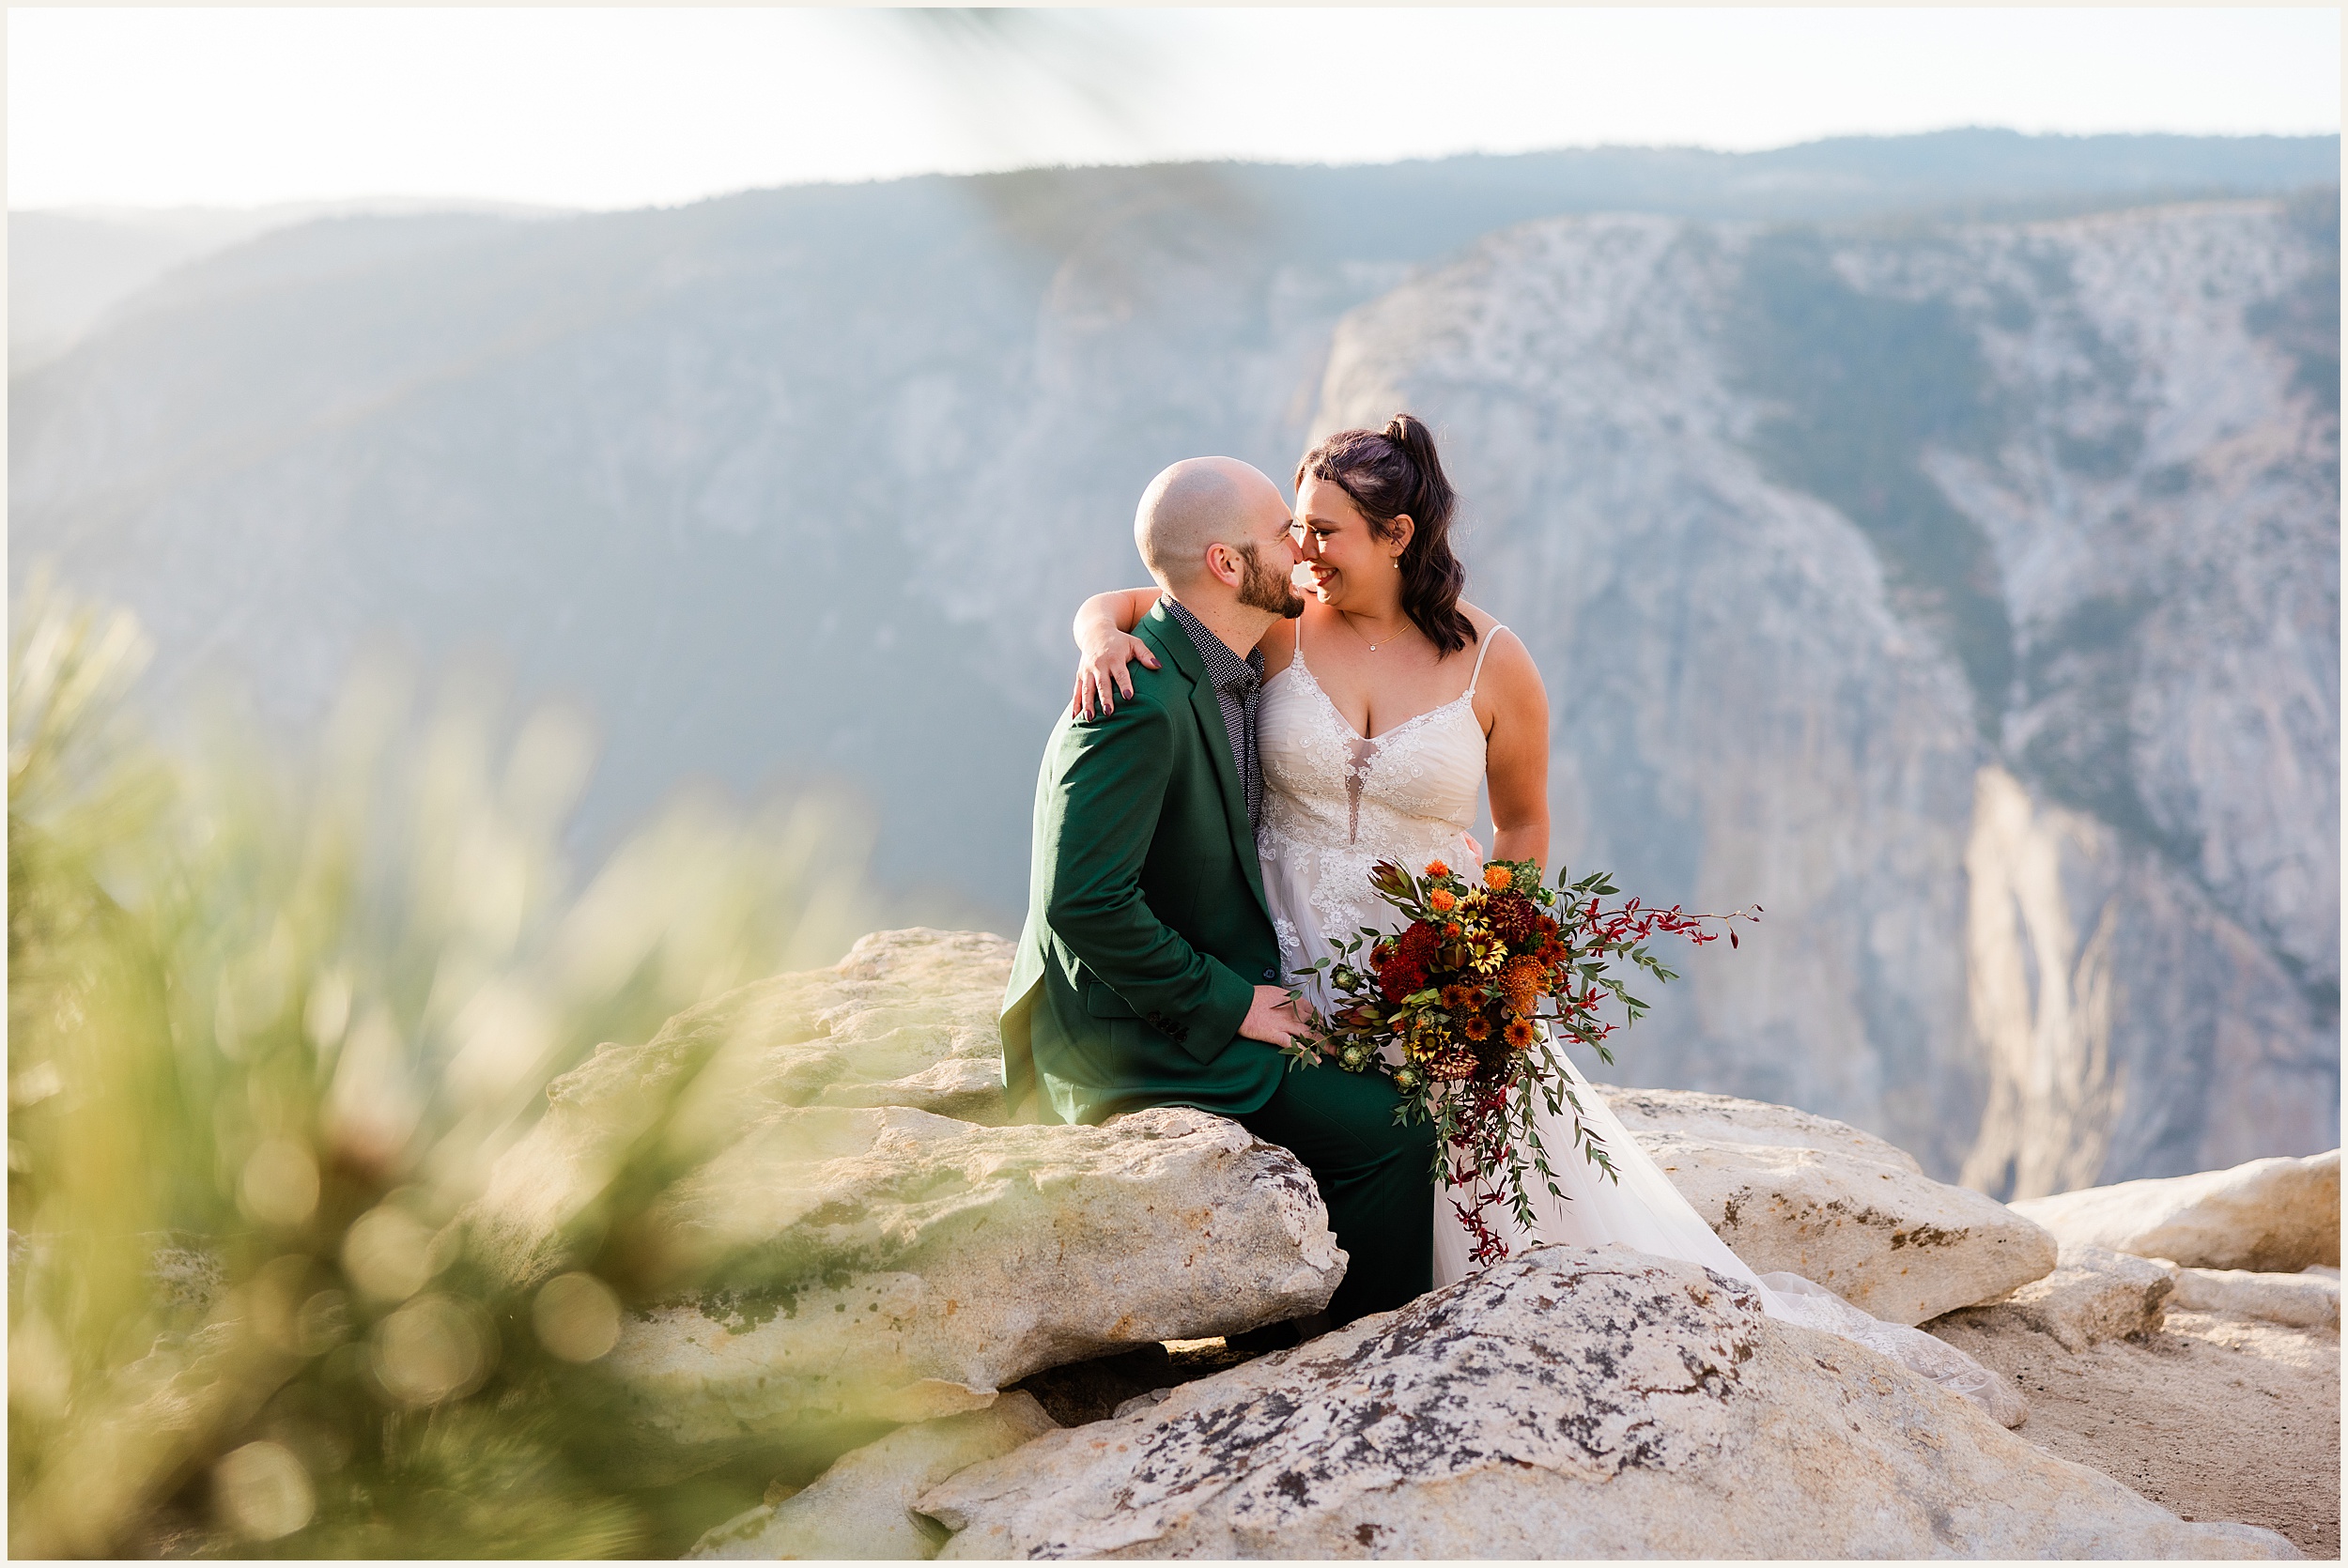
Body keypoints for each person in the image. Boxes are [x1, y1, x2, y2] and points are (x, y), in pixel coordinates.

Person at [1066, 416, 2020, 1419]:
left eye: (1324, 530)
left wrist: (1488, 965)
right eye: (1294, 528)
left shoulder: (1493, 661)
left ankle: (1444, 1348)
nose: (1300, 549)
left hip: (1420, 957)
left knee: (1467, 1176)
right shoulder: (1280, 619)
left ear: (1397, 536)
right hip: (1281, 943)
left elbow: (1522, 822)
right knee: (1327, 1136)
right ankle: (1308, 1332)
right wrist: (1097, 636)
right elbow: (1152, 596)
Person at [1000, 454, 1438, 1329]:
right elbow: (1082, 902)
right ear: (1228, 566)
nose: (1303, 547)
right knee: (1396, 1134)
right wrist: (1231, 1002)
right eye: (1285, 532)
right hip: (1123, 1035)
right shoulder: (1135, 699)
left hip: (1190, 985)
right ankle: (1353, 1358)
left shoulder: (1221, 663)